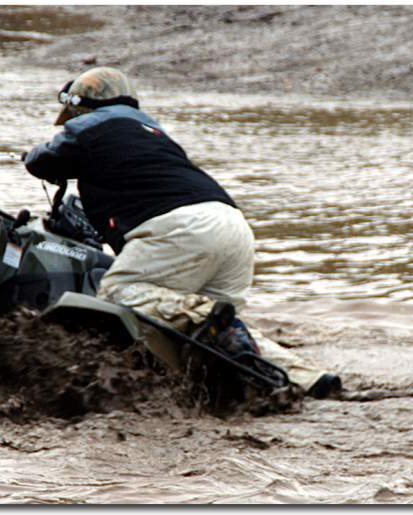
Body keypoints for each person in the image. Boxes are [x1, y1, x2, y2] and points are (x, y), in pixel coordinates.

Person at [23, 67, 340, 398]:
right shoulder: (153, 132)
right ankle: (309, 379)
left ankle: (205, 314)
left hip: (183, 228)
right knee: (221, 335)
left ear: (79, 107)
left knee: (116, 292)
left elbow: (42, 161)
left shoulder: (90, 124)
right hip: (231, 224)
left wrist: (28, 155)